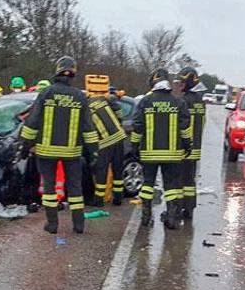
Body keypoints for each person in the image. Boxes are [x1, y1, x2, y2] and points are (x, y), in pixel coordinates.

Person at [19, 56, 99, 235]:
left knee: (49, 187)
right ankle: (78, 225)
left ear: (57, 71)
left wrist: (25, 146)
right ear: (73, 74)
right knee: (75, 188)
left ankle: (52, 224)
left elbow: (32, 122)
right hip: (72, 152)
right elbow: (88, 128)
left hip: (46, 152)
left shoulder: (46, 93)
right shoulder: (80, 96)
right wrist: (93, 152)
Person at [131, 68, 192, 229]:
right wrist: (188, 145)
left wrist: (134, 146)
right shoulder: (178, 102)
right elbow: (185, 128)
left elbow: (137, 126)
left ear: (153, 82)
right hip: (172, 154)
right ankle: (171, 218)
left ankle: (146, 216)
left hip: (149, 153)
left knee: (147, 184)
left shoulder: (145, 101)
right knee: (171, 186)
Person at [86, 74, 127, 206]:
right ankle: (118, 198)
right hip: (119, 138)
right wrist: (119, 122)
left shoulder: (86, 107)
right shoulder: (104, 99)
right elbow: (118, 110)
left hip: (105, 142)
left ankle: (99, 200)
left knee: (101, 171)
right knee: (117, 169)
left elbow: (88, 129)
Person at [177, 67, 206, 220]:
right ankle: (189, 209)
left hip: (185, 147)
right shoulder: (200, 101)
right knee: (190, 180)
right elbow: (203, 123)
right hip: (196, 147)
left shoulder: (184, 101)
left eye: (182, 82)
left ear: (188, 82)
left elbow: (182, 125)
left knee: (180, 180)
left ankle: (178, 209)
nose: (180, 85)